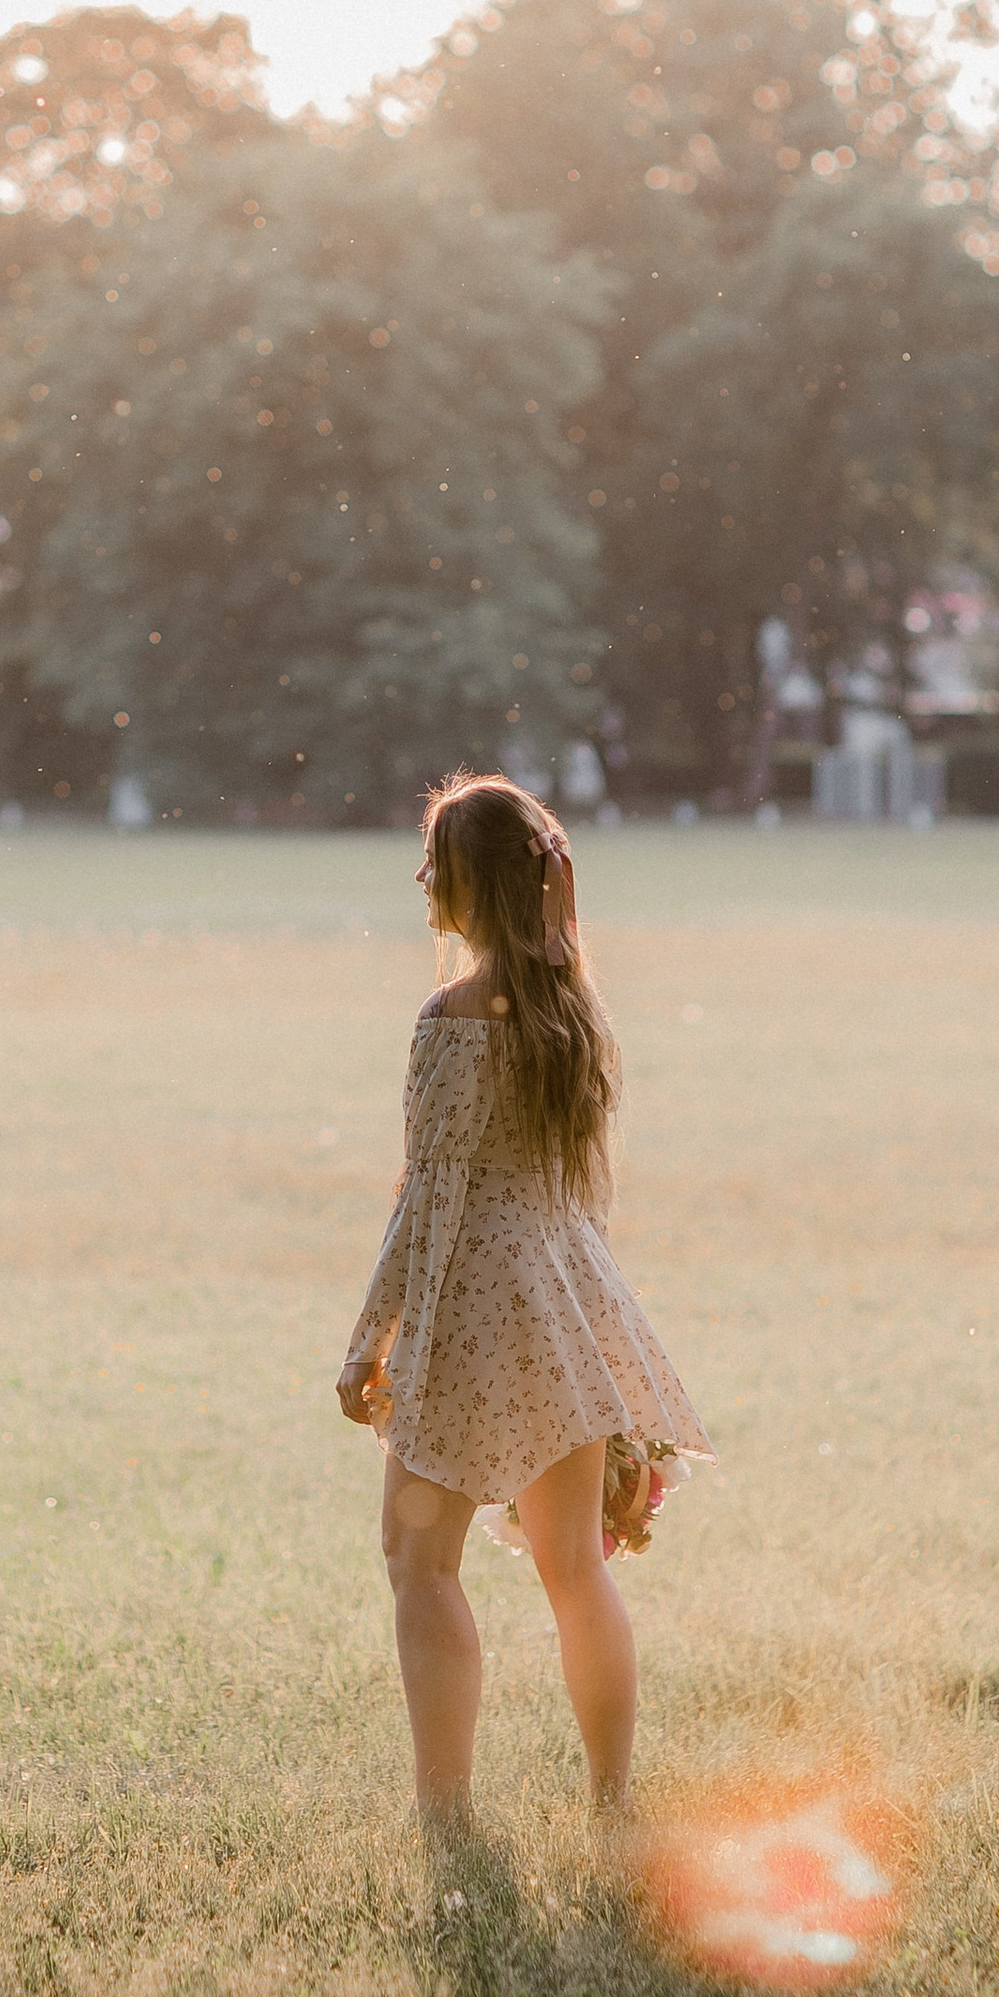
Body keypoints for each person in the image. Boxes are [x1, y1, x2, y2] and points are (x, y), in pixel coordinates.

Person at [337, 771, 711, 1822]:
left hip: (476, 1305)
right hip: (562, 1302)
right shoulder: (568, 1005)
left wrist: (368, 1339)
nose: (419, 877)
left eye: (434, 859)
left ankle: (445, 1810)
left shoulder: (451, 1014)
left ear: (471, 879)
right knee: (574, 1569)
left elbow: (426, 1198)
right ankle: (611, 1802)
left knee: (419, 1560)